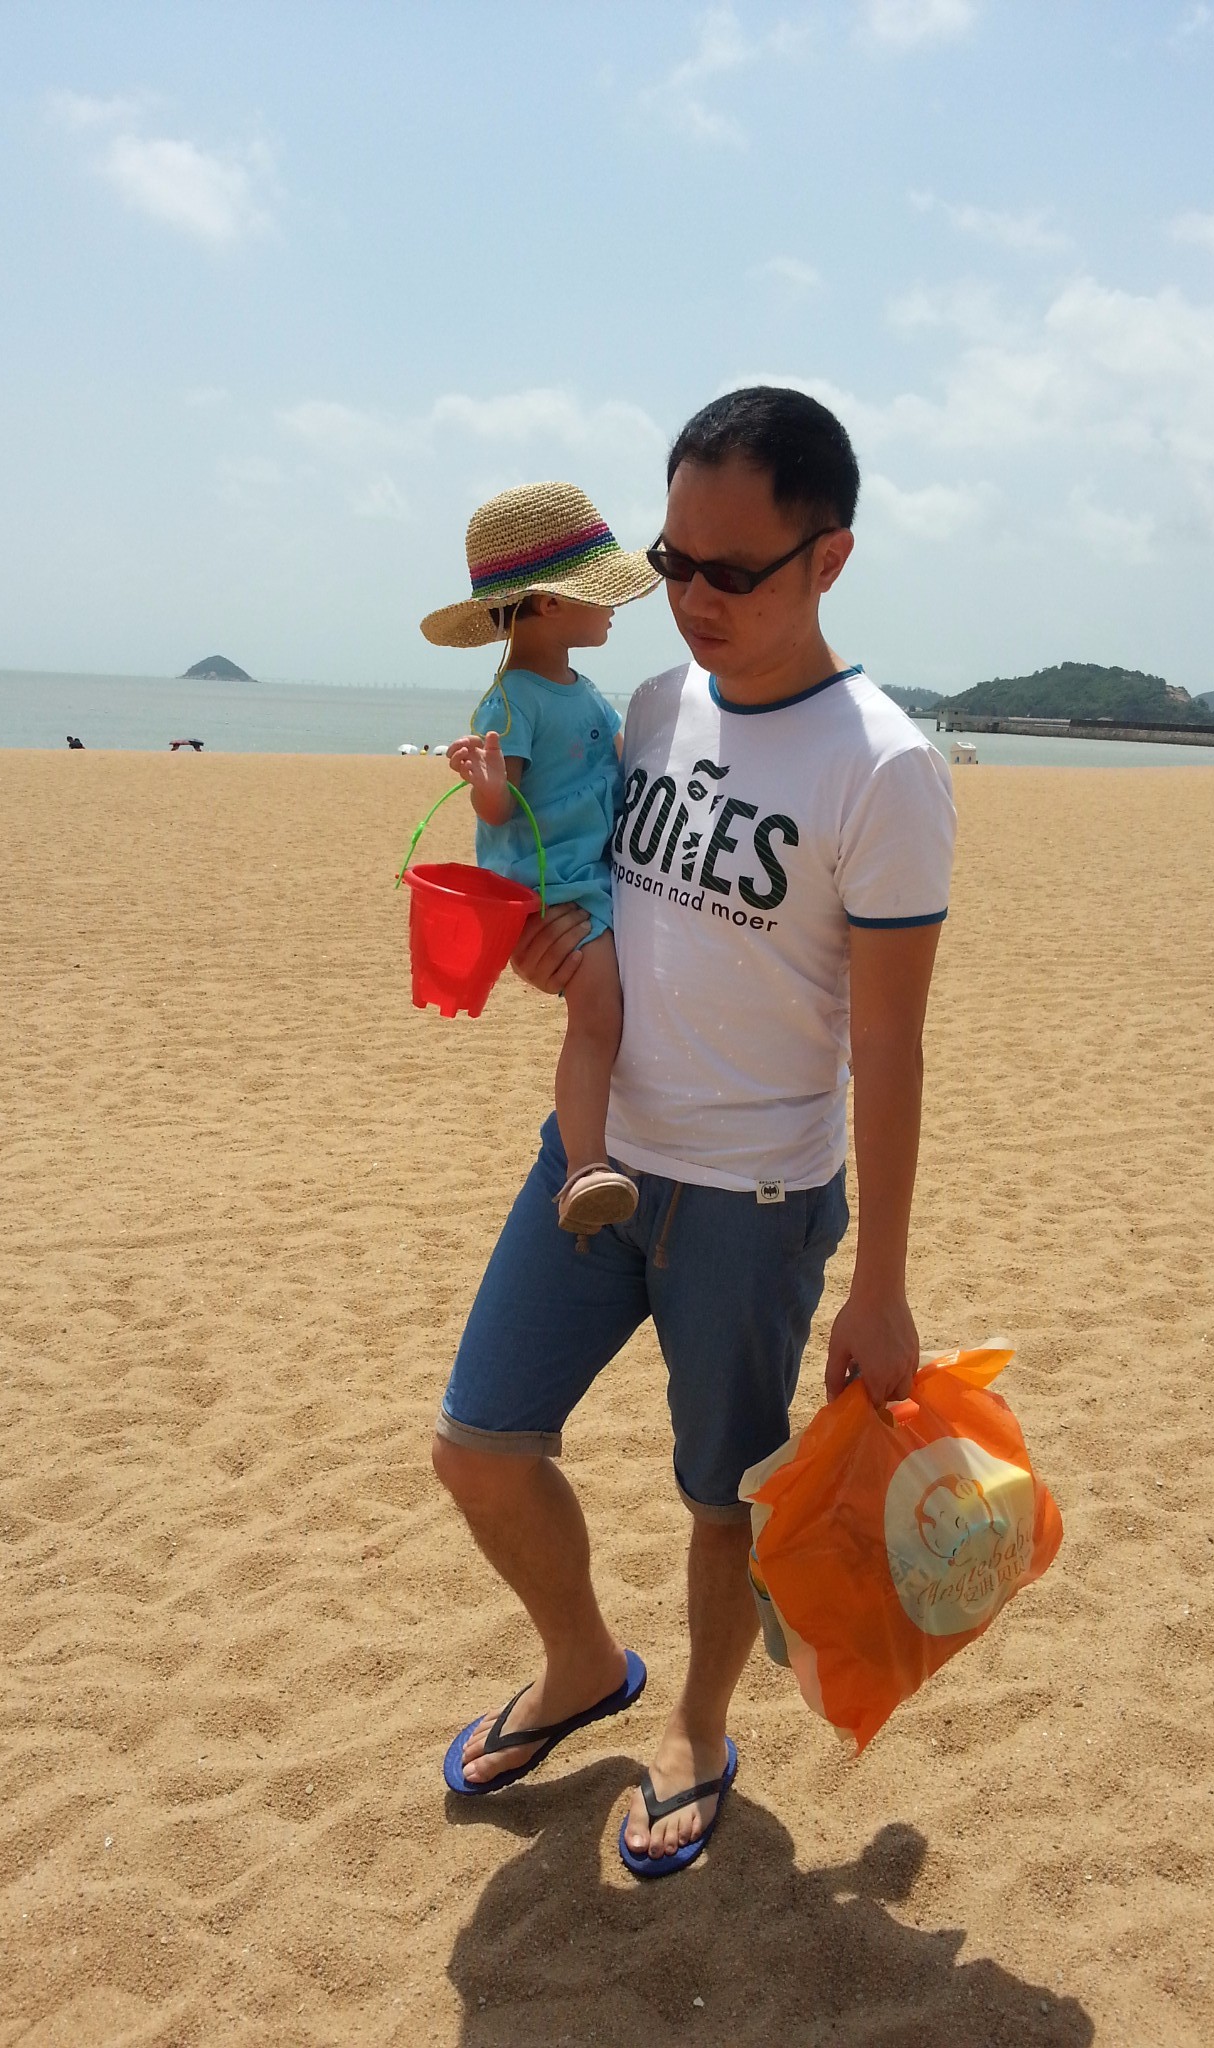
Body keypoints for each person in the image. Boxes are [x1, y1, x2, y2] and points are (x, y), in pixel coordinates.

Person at [431, 388, 956, 1878]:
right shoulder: (654, 707)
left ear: (829, 558)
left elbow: (890, 1045)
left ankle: (700, 1729)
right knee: (477, 1448)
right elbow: (593, 898)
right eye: (674, 563)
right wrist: (539, 953)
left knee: (722, 1497)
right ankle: (583, 1661)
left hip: (755, 1198)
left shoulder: (885, 768)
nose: (694, 599)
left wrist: (881, 1284)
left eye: (734, 570)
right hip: (598, 1161)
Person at [422, 482, 659, 1235]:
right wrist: (487, 785)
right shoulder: (511, 700)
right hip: (557, 887)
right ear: (552, 603)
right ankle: (586, 1165)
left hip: (593, 874)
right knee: (595, 1017)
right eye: (601, 591)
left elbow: (619, 758)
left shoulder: (581, 690)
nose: (615, 606)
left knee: (606, 1013)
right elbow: (500, 811)